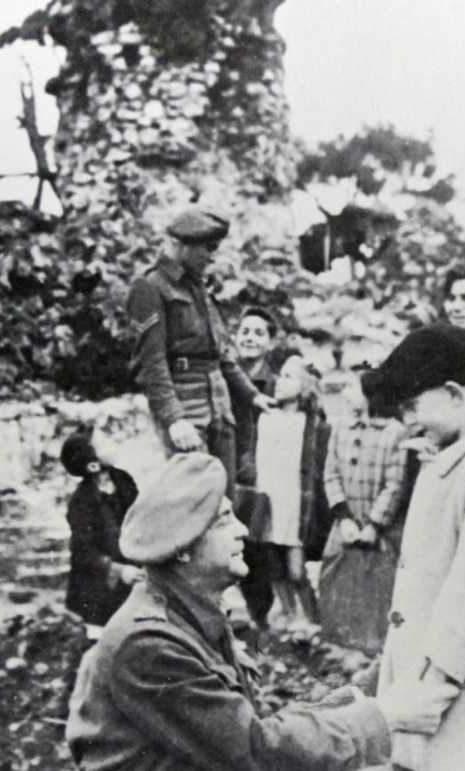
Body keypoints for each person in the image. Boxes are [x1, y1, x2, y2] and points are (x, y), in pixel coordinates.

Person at [66, 451, 458, 771]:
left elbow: (252, 729)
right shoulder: (148, 643)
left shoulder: (185, 614)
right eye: (223, 521)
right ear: (182, 549)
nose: (241, 530)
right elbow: (258, 752)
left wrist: (360, 695)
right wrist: (382, 718)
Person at [368, 323, 465, 771]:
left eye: (413, 406)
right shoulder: (452, 458)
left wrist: (427, 692)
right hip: (434, 677)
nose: (409, 421)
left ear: (455, 393)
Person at [127, 206, 273, 495]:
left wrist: (253, 396)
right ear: (180, 246)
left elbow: (221, 354)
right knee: (195, 500)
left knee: (225, 499)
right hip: (186, 404)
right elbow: (152, 363)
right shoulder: (149, 287)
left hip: (219, 404)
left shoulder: (198, 287)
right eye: (207, 248)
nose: (212, 256)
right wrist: (174, 418)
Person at [319, 371, 409, 654]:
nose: (346, 394)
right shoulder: (341, 427)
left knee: (377, 583)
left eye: (353, 387)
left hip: (378, 528)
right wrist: (343, 516)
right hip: (345, 522)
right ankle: (337, 645)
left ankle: (373, 649)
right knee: (334, 574)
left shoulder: (394, 432)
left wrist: (374, 524)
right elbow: (330, 473)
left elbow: (395, 484)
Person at [254, 354, 331, 632]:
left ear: (304, 386)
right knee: (274, 567)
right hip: (269, 500)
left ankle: (312, 617)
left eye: (288, 377)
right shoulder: (266, 418)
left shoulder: (312, 425)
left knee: (297, 570)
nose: (279, 382)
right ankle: (287, 614)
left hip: (295, 505)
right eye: (279, 375)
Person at [62, 432, 144, 626]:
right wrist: (118, 570)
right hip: (100, 583)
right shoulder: (81, 502)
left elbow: (140, 516)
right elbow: (83, 552)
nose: (112, 444)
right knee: (106, 629)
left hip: (134, 567)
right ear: (93, 464)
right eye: (103, 444)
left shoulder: (123, 479)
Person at [232, 305, 278, 628]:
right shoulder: (224, 378)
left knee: (257, 544)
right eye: (245, 331)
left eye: (258, 332)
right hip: (227, 465)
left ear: (270, 343)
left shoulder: (275, 385)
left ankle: (261, 616)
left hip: (261, 472)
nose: (250, 338)